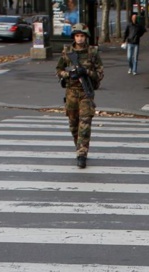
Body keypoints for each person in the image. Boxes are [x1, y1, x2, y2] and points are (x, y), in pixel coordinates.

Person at [56, 23, 104, 169]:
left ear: (86, 37)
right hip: (71, 92)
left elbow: (100, 73)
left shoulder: (93, 52)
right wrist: (69, 74)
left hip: (85, 92)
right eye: (77, 36)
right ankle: (79, 145)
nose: (80, 39)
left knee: (85, 123)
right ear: (74, 37)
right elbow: (59, 69)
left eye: (82, 36)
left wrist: (87, 73)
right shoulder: (67, 52)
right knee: (73, 125)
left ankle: (82, 153)